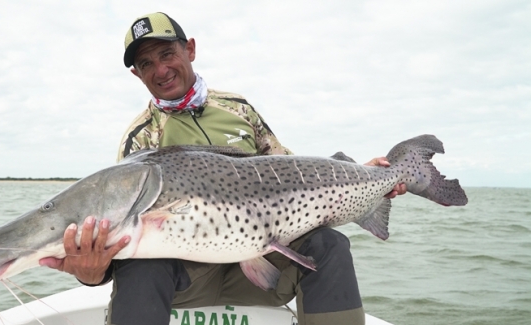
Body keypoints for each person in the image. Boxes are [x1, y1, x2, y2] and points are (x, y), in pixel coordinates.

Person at [40, 12, 406, 325]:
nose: (161, 69)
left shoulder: (239, 110)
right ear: (137, 75)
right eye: (147, 64)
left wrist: (364, 175)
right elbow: (120, 234)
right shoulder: (140, 139)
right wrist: (92, 275)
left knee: (330, 246)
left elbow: (289, 171)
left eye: (167, 54)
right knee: (140, 266)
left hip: (261, 270)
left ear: (191, 50)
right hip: (183, 280)